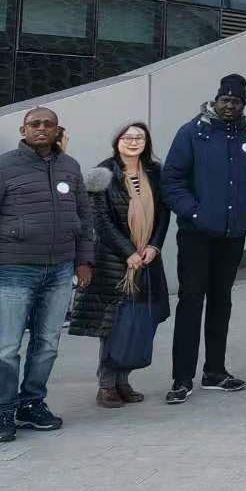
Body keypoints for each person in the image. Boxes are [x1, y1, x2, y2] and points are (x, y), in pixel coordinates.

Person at [0, 107, 94, 441]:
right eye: (34, 124)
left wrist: (84, 260)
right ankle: (2, 412)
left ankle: (31, 404)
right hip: (14, 271)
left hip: (60, 270)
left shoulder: (70, 167)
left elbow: (84, 217)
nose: (41, 128)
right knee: (7, 347)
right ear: (23, 130)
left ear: (57, 130)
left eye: (48, 124)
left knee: (48, 344)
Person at [162, 74, 246, 403]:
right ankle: (182, 378)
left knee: (222, 301)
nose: (230, 106)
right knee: (191, 301)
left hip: (233, 233)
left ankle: (215, 371)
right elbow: (172, 181)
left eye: (237, 101)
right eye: (225, 100)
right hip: (197, 233)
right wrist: (194, 213)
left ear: (244, 105)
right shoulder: (192, 132)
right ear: (215, 100)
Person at [69, 123, 171, 408]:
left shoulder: (155, 172)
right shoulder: (102, 173)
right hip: (114, 261)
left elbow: (164, 213)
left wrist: (154, 246)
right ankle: (106, 385)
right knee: (114, 324)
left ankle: (123, 381)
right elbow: (99, 220)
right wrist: (128, 252)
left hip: (148, 259)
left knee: (138, 322)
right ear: (117, 141)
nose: (134, 141)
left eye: (140, 137)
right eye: (128, 137)